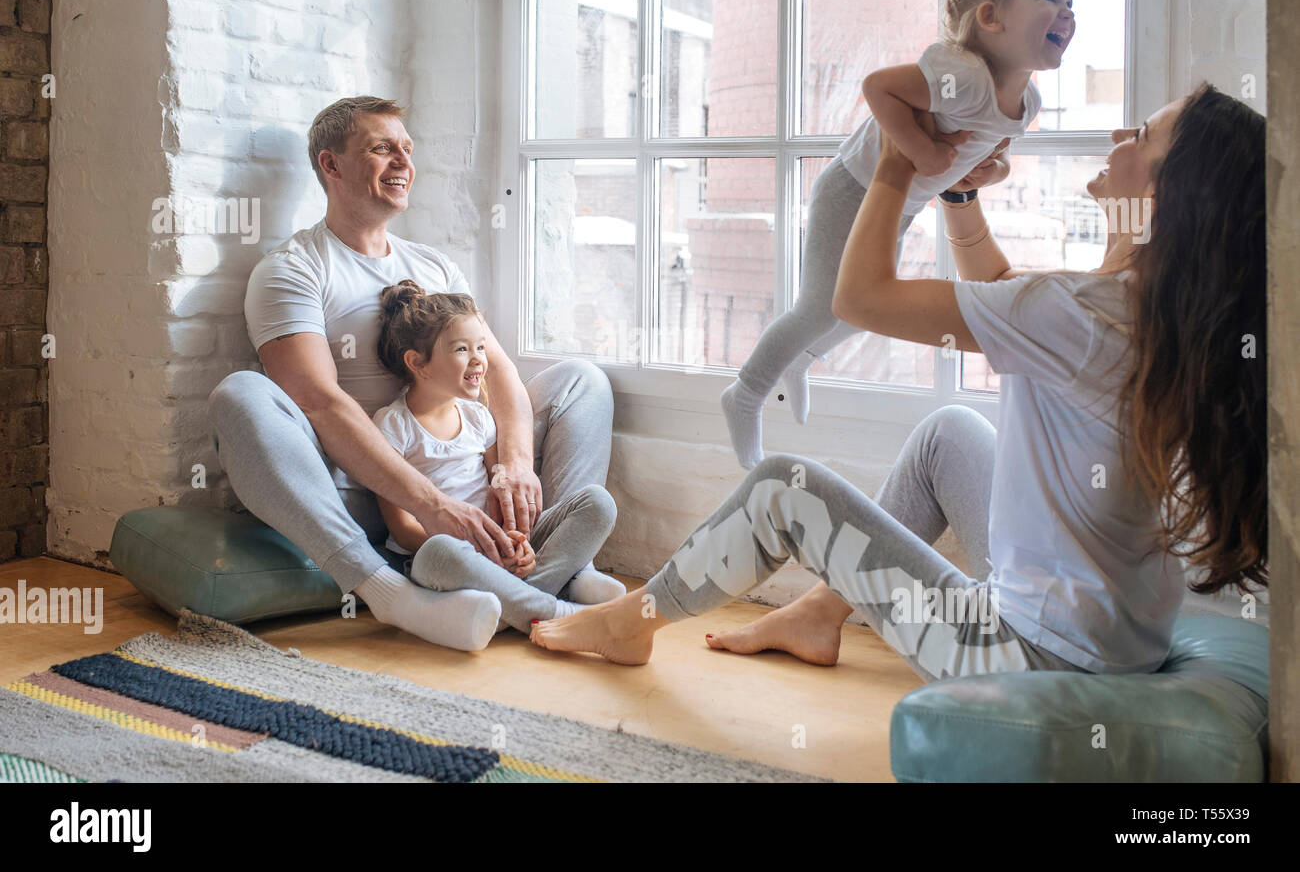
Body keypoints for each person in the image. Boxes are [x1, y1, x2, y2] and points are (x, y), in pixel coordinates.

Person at [529, 81, 1267, 682]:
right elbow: (1005, 288)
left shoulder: (1078, 313)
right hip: (1114, 644)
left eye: (1142, 136)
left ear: (1170, 195)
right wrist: (957, 196)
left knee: (785, 488)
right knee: (948, 434)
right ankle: (821, 613)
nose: (1119, 139)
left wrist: (898, 161)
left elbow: (859, 297)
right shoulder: (1146, 309)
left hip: (1028, 657)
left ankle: (635, 621)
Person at [207, 96, 615, 651]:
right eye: (382, 148)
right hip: (368, 496)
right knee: (241, 395)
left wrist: (513, 467)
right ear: (331, 165)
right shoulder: (293, 269)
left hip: (466, 475)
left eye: (407, 149)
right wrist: (430, 505)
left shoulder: (433, 266)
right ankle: (387, 591)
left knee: (580, 380)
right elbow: (319, 402)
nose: (403, 162)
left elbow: (496, 372)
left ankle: (556, 563)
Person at [722, 0, 1074, 469]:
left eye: (1072, 2)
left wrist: (989, 171)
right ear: (991, 18)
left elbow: (998, 157)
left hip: (900, 204)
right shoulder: (964, 78)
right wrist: (925, 150)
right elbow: (878, 87)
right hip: (853, 186)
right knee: (822, 305)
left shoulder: (1026, 104)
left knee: (864, 308)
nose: (1067, 12)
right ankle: (745, 395)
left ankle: (802, 360)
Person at [371, 281, 622, 641]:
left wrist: (514, 542)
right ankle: (557, 608)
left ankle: (511, 610)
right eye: (461, 349)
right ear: (417, 363)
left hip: (496, 551)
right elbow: (403, 529)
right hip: (441, 556)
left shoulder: (478, 418)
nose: (479, 360)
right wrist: (479, 551)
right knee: (440, 553)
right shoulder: (393, 425)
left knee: (598, 503)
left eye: (481, 347)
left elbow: (497, 496)